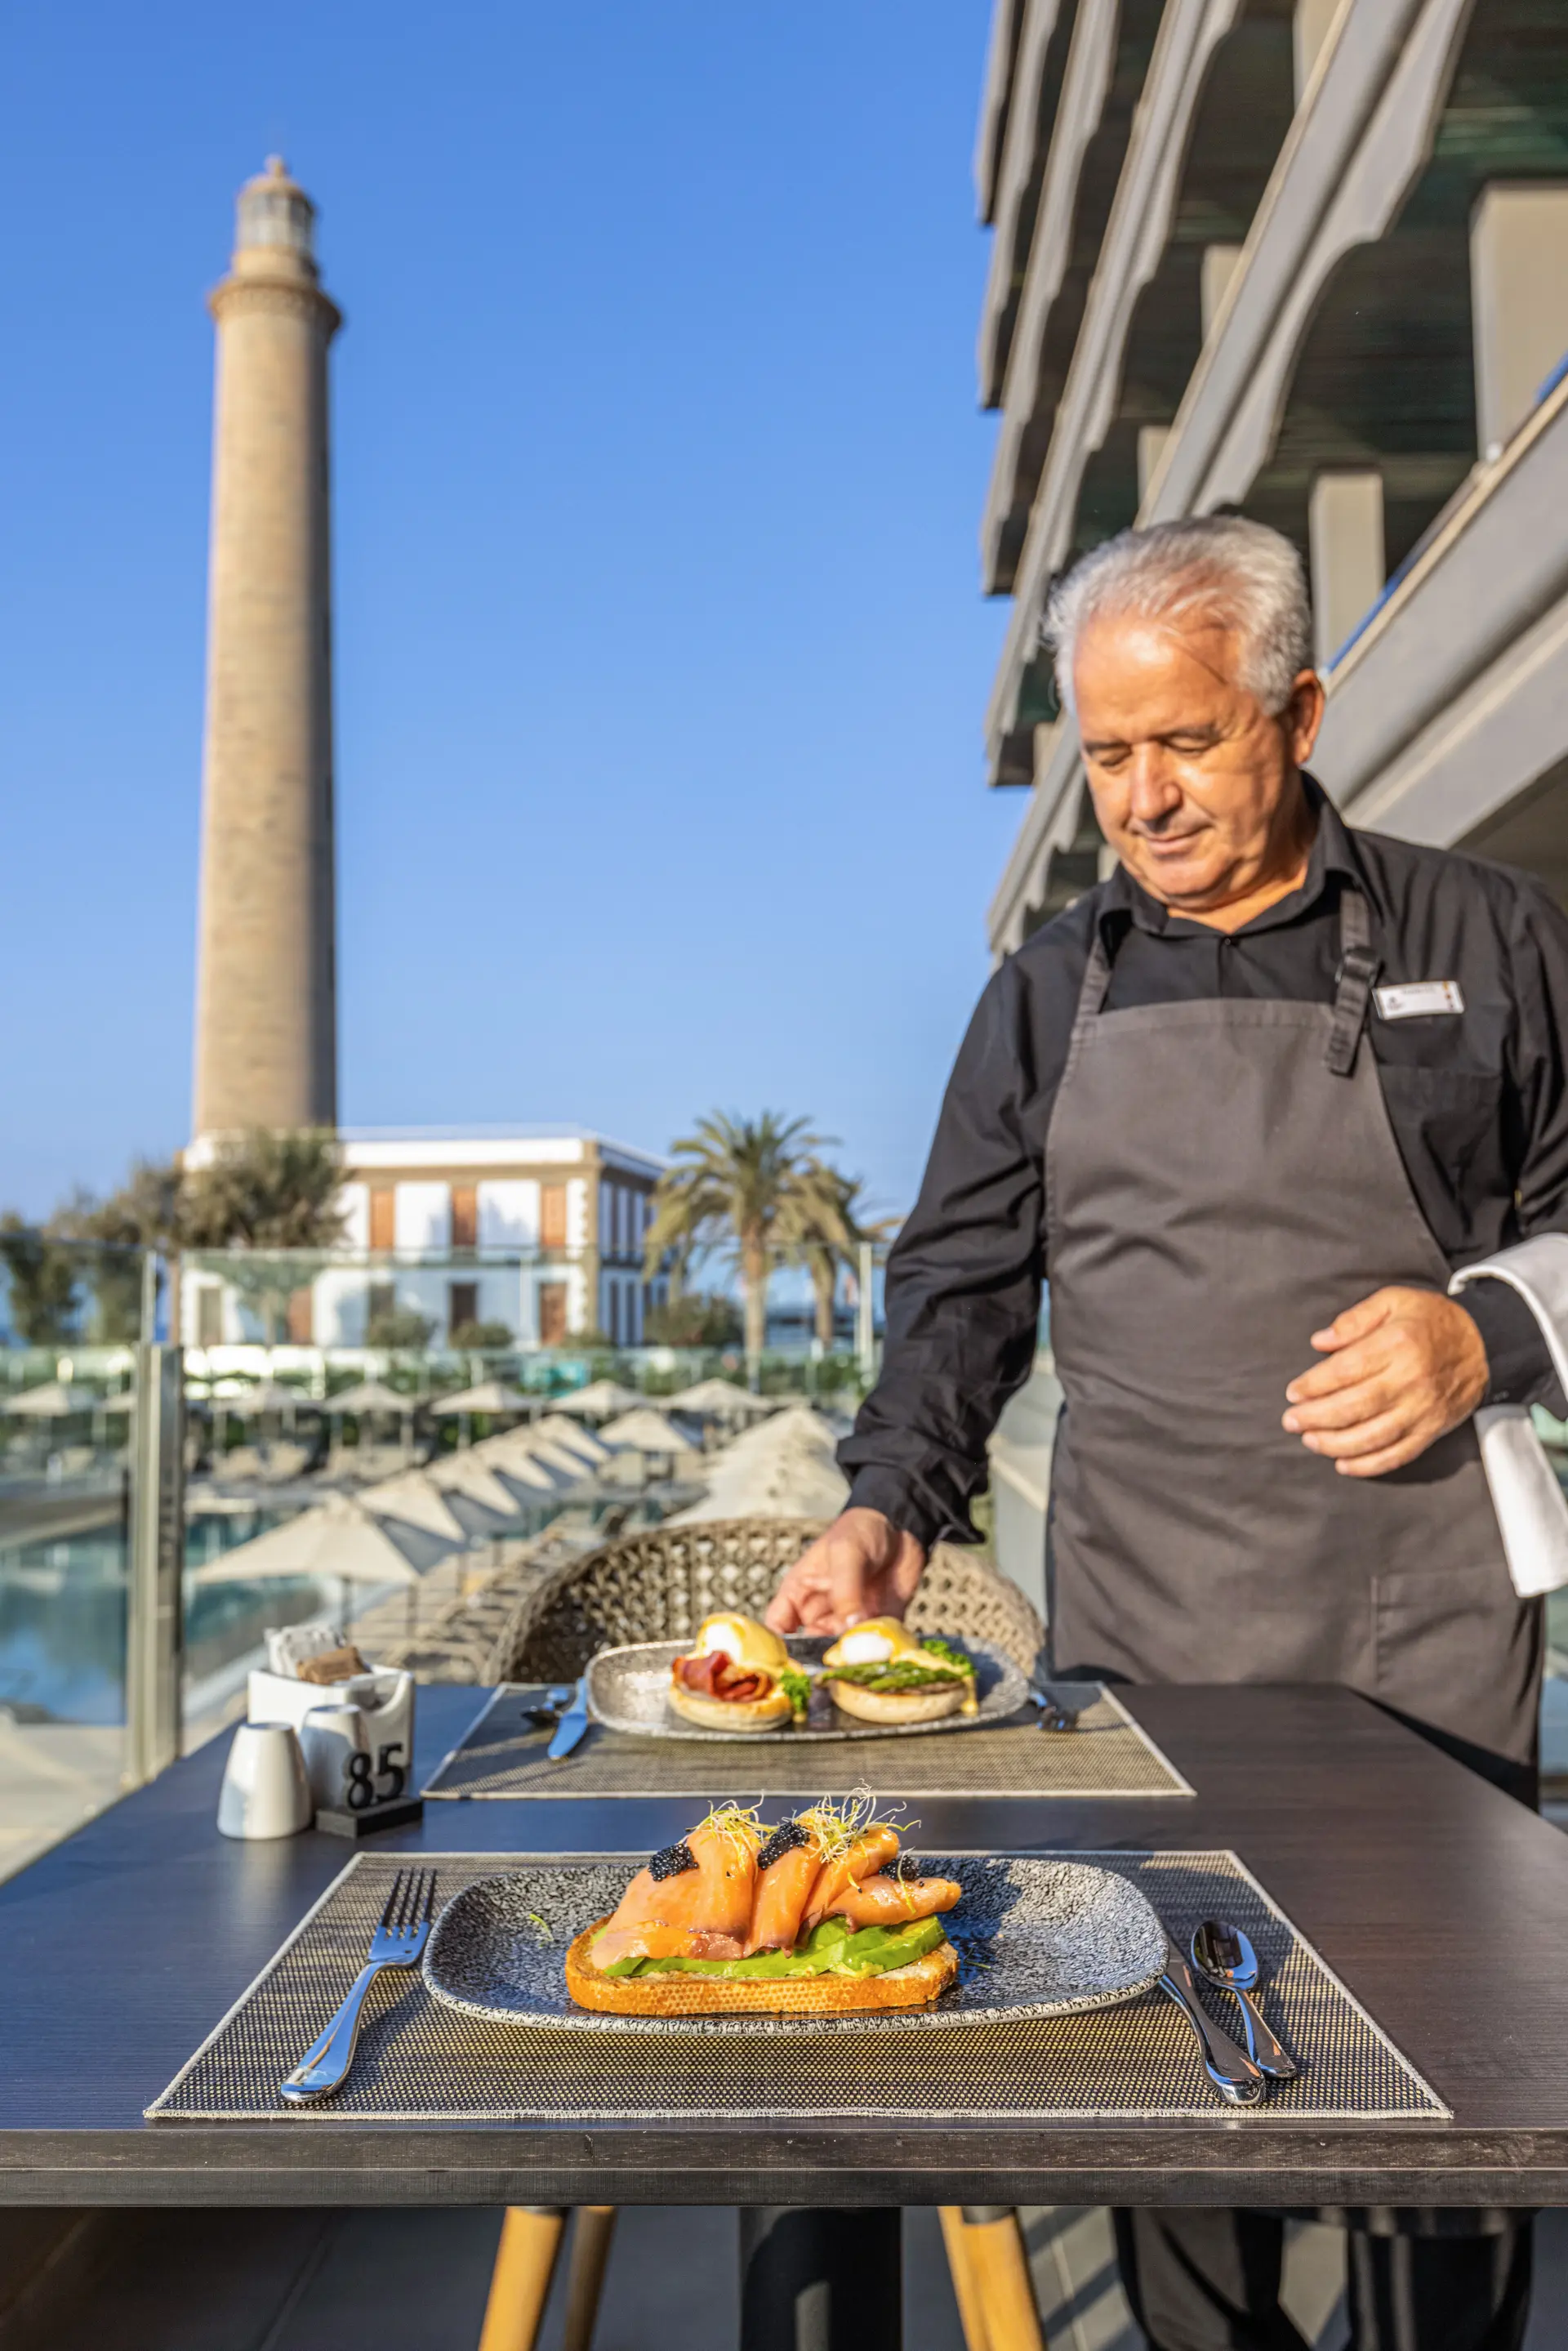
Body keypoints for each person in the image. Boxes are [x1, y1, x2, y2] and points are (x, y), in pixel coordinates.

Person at [768, 515, 1568, 2351]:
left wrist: (1492, 1325)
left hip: (1426, 1627)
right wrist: (891, 1501)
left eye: (1186, 741)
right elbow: (965, 1288)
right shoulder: (1050, 992)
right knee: (1185, 2087)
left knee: (1451, 2105)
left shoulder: (1493, 937)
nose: (1143, 795)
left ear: (1295, 709)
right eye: (1107, 754)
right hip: (1147, 1633)